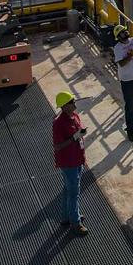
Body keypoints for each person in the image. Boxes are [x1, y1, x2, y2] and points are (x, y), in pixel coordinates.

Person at [53, 89, 88, 235]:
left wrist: (79, 135)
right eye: (72, 102)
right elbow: (58, 146)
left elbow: (77, 135)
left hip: (77, 159)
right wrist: (75, 137)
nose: (75, 104)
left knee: (68, 190)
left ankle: (66, 217)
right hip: (69, 163)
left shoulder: (75, 116)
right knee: (74, 193)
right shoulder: (58, 124)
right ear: (64, 106)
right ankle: (76, 223)